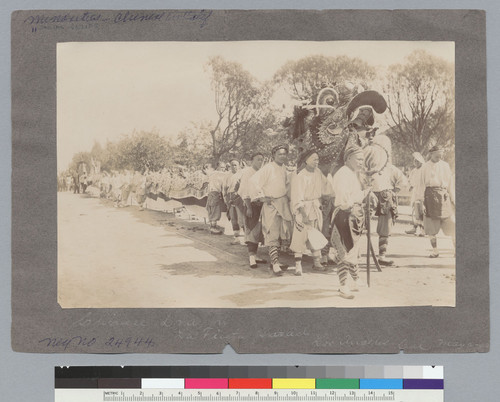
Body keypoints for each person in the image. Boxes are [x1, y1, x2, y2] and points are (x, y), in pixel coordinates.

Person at [330, 143, 367, 299]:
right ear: (349, 158)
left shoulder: (352, 173)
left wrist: (365, 193)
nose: (361, 162)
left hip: (354, 215)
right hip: (345, 215)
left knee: (353, 250)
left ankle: (356, 279)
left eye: (362, 159)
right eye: (358, 159)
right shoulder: (343, 174)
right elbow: (344, 201)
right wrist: (358, 199)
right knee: (345, 252)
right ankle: (343, 286)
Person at [250, 144, 293, 276]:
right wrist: (262, 198)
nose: (282, 156)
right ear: (273, 155)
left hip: (283, 203)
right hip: (271, 205)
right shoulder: (268, 168)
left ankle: (276, 261)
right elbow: (253, 181)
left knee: (282, 234)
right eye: (279, 154)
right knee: (272, 233)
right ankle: (275, 264)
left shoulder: (284, 168)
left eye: (284, 154)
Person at [289, 150, 333, 275]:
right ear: (306, 160)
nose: (316, 161)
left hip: (315, 207)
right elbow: (297, 197)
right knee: (300, 236)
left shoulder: (318, 172)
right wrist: (303, 214)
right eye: (314, 159)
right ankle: (298, 265)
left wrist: (330, 195)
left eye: (317, 159)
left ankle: (317, 262)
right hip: (303, 209)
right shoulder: (300, 176)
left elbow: (327, 186)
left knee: (316, 234)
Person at [371, 135, 407, 266]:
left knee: (385, 227)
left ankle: (382, 255)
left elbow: (403, 181)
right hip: (368, 195)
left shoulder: (390, 168)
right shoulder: (367, 166)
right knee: (358, 224)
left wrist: (394, 191)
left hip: (386, 196)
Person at [418, 145, 455, 258]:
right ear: (431, 154)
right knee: (430, 227)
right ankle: (435, 251)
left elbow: (450, 184)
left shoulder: (445, 165)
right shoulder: (424, 167)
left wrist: (453, 199)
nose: (440, 156)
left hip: (444, 198)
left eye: (441, 154)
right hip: (429, 198)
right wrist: (421, 202)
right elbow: (421, 185)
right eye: (437, 154)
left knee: (452, 225)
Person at [238, 152, 267, 268]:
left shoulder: (261, 172)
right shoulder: (247, 173)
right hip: (251, 205)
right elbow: (244, 192)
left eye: (262, 160)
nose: (260, 162)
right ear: (251, 161)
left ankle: (255, 255)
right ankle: (251, 258)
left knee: (259, 231)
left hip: (261, 205)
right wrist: (249, 207)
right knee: (251, 230)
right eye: (258, 159)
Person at [225, 158, 246, 245]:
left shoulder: (242, 174)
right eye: (232, 165)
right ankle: (236, 238)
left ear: (239, 166)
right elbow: (225, 188)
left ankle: (247, 238)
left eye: (235, 165)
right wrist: (226, 199)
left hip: (239, 197)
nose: (234, 167)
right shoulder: (227, 175)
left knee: (242, 218)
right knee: (233, 218)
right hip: (230, 198)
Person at [406, 152, 426, 236]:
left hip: (423, 192)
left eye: (418, 161)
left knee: (422, 211)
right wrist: (410, 186)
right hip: (415, 192)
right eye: (415, 161)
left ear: (421, 161)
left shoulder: (424, 170)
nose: (416, 163)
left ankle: (423, 230)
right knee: (416, 211)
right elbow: (410, 181)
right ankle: (415, 228)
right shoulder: (413, 171)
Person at [205, 162, 227, 235]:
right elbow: (223, 187)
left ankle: (212, 226)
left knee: (211, 210)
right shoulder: (221, 174)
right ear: (218, 167)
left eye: (224, 167)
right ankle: (213, 228)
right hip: (215, 193)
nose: (223, 169)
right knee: (215, 210)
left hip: (210, 193)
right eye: (222, 167)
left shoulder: (212, 173)